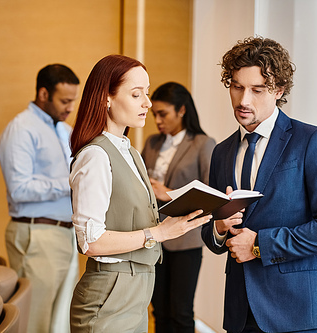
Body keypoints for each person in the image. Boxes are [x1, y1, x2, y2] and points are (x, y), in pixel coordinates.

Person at [201, 36, 317, 333]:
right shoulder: (222, 152)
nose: (243, 100)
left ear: (279, 90)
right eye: (236, 86)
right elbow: (213, 234)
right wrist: (218, 229)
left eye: (257, 90)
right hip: (239, 312)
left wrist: (259, 244)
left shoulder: (311, 141)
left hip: (295, 310)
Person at [68, 54, 212, 333]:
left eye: (146, 93)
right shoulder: (96, 156)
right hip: (110, 293)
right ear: (106, 99)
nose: (147, 102)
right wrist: (158, 234)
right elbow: (90, 241)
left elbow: (131, 215)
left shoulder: (131, 152)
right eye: (136, 95)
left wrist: (177, 220)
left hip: (138, 287)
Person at [0, 64, 80, 333]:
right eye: (64, 101)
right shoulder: (22, 128)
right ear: (44, 94)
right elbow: (19, 189)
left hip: (65, 235)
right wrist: (69, 183)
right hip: (36, 233)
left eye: (72, 101)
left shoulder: (64, 131)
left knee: (59, 324)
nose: (70, 108)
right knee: (34, 322)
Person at [141, 82, 216, 332]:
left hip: (186, 240)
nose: (157, 120)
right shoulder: (152, 143)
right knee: (158, 310)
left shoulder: (203, 144)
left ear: (182, 110)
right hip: (153, 237)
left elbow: (209, 194)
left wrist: (168, 194)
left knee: (181, 312)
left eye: (163, 114)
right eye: (155, 115)